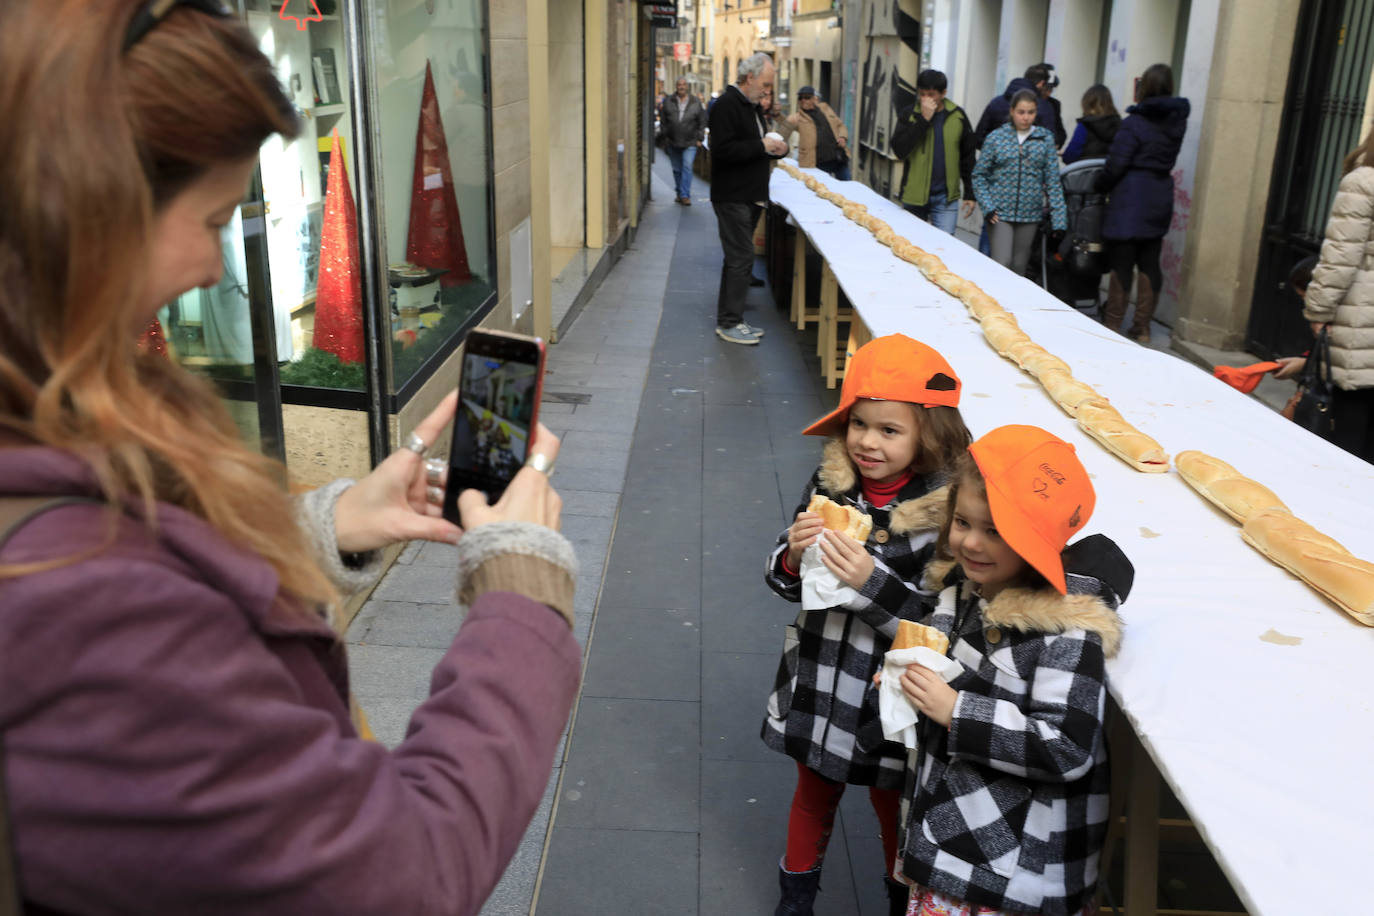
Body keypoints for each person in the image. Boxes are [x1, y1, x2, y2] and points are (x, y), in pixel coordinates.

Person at [0, 3, 581, 912]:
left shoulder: (53, 414)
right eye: (213, 216)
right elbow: (402, 875)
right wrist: (520, 588)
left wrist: (319, 527)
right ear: (83, 213)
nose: (210, 262)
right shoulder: (88, 615)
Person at [763, 335, 973, 916]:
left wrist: (869, 583)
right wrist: (790, 555)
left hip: (889, 693)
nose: (866, 442)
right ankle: (794, 899)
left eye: (888, 430)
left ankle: (898, 899)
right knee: (812, 793)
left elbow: (940, 628)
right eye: (858, 424)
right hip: (821, 674)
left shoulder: (950, 512)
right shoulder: (831, 483)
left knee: (893, 804)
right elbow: (785, 581)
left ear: (929, 433)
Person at [895, 425, 1133, 916]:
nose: (971, 543)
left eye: (996, 531)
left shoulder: (1067, 631)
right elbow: (936, 648)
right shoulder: (964, 589)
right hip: (955, 833)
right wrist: (908, 673)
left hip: (1011, 871)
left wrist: (956, 710)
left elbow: (1067, 746)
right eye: (962, 521)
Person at [1095, 63, 1190, 344]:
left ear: (1143, 87)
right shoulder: (1177, 122)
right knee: (1150, 262)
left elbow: (1116, 164)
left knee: (1122, 262)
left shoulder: (1134, 123)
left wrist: (1101, 185)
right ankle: (1142, 327)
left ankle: (1113, 324)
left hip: (1130, 196)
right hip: (1159, 194)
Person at [1301, 129, 1374, 462]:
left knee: (1347, 445)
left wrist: (1317, 311)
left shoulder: (1364, 182)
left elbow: (1340, 258)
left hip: (1362, 331)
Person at [708, 51, 788, 346]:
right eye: (765, 84)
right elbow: (723, 151)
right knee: (741, 258)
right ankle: (729, 321)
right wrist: (760, 145)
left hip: (749, 195)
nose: (767, 91)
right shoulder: (726, 105)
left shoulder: (751, 106)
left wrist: (777, 148)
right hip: (733, 196)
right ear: (750, 77)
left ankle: (733, 319)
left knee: (738, 259)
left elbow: (756, 143)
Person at [971, 89, 1068, 276]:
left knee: (1019, 268)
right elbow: (979, 175)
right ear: (1012, 111)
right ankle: (995, 303)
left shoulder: (1045, 139)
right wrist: (987, 205)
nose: (1026, 117)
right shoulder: (996, 138)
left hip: (1030, 214)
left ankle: (1011, 305)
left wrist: (1059, 221)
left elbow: (1053, 181)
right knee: (1002, 263)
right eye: (1021, 112)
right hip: (999, 213)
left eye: (1030, 112)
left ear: (1036, 112)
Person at [890, 69, 977, 236]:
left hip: (945, 199)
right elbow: (899, 150)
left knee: (944, 248)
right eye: (922, 94)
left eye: (931, 94)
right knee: (911, 247)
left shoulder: (957, 116)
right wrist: (923, 119)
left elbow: (968, 156)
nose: (926, 99)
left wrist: (970, 193)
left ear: (943, 93)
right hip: (914, 196)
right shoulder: (909, 114)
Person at [973, 64, 1061, 150]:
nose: (1049, 93)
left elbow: (979, 138)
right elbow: (1052, 142)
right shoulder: (1044, 106)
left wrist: (997, 151)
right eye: (1048, 88)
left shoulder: (996, 102)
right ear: (1041, 84)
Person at [775, 85, 851, 180]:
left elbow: (840, 125)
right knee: (822, 191)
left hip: (839, 159)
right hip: (817, 165)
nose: (803, 100)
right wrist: (776, 115)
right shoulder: (797, 118)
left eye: (807, 97)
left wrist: (843, 137)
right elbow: (785, 127)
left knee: (846, 187)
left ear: (814, 98)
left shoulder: (825, 109)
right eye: (800, 98)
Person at [659, 76, 706, 205]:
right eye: (679, 84)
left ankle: (685, 195)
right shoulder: (668, 101)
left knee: (687, 166)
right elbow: (663, 120)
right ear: (676, 86)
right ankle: (679, 192)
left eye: (684, 84)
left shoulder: (696, 102)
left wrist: (700, 138)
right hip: (672, 141)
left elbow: (702, 121)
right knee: (676, 169)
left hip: (690, 142)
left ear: (687, 86)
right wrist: (665, 135)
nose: (682, 87)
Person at [1061, 83, 1121, 163]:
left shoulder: (1085, 125)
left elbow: (1070, 156)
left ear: (1087, 103)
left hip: (1085, 173)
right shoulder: (1120, 125)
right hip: (1111, 172)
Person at [1037, 63, 1068, 149]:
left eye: (1051, 89)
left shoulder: (1054, 104)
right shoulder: (1024, 101)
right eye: (1046, 89)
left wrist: (1057, 143)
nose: (1049, 93)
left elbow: (1061, 131)